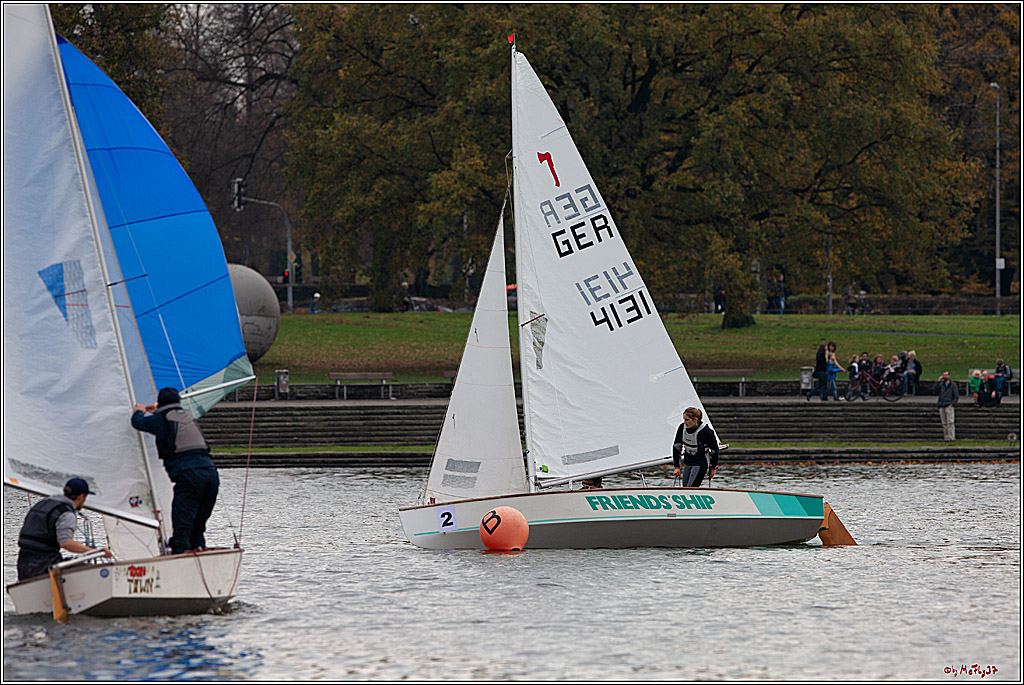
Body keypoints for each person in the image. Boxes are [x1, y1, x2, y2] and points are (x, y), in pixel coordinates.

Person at [131, 387, 220, 555]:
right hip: (211, 473)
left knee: (183, 517)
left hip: (189, 474)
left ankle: (180, 550)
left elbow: (138, 423)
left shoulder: (161, 420)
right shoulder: (187, 417)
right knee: (199, 520)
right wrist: (159, 412)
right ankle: (198, 547)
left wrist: (139, 411)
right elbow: (171, 423)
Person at [16, 478, 112, 580]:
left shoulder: (42, 504)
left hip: (23, 566)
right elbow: (66, 543)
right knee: (92, 571)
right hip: (44, 566)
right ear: (81, 497)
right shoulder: (66, 513)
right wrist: (94, 552)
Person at [671, 407, 720, 487]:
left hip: (701, 461)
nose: (685, 422)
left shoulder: (706, 432)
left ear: (695, 419)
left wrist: (713, 468)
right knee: (685, 487)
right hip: (688, 460)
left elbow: (715, 450)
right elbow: (677, 447)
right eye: (684, 419)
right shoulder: (682, 428)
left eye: (687, 420)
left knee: (691, 487)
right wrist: (677, 466)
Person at [933, 371, 959, 442]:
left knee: (950, 422)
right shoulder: (941, 385)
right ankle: (946, 437)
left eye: (946, 375)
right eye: (944, 375)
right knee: (944, 423)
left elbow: (956, 396)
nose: (945, 377)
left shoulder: (953, 385)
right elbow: (934, 390)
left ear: (949, 376)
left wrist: (952, 403)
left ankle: (952, 437)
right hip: (942, 405)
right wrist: (938, 381)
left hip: (949, 405)